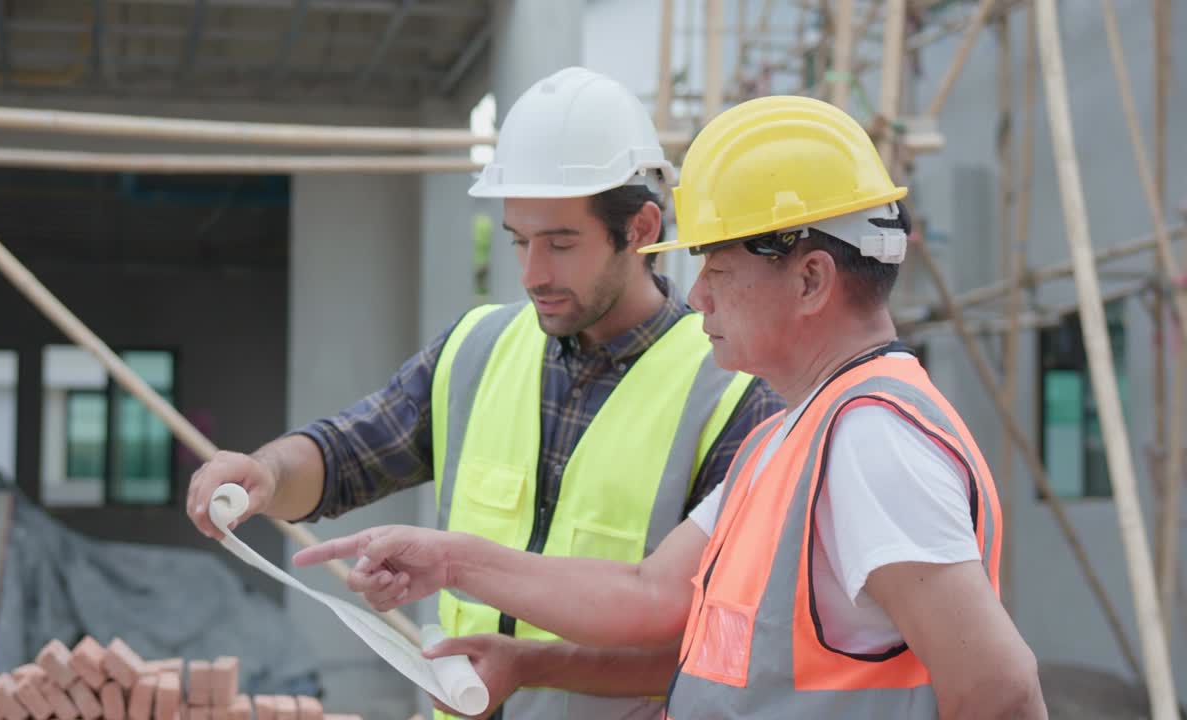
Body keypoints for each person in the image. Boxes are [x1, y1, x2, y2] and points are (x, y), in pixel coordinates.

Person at [295, 95, 1047, 720]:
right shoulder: (793, 438)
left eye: (718, 267)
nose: (700, 296)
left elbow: (1002, 693)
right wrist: (457, 567)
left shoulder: (872, 442)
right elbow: (649, 595)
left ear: (812, 280)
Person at [185, 66, 784, 720]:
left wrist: (531, 665)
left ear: (641, 229)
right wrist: (267, 474)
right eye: (519, 241)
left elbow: (719, 643)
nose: (532, 273)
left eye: (560, 244)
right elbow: (346, 456)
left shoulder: (733, 393)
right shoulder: (476, 349)